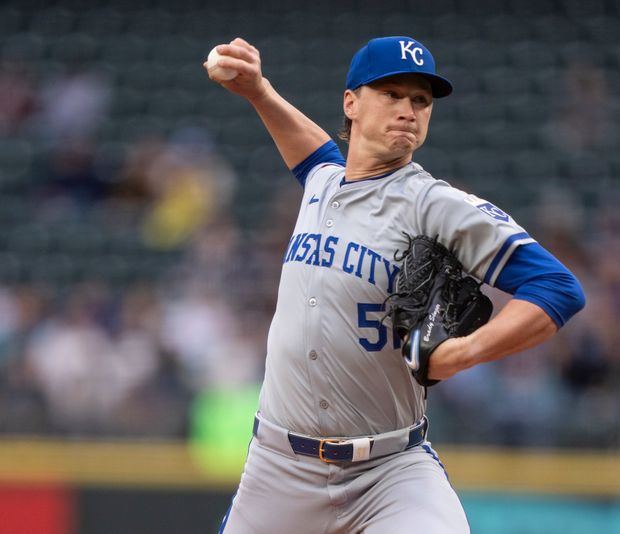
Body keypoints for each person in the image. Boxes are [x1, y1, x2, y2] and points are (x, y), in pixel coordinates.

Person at [205, 35, 585, 534]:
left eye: (420, 100)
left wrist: (467, 351)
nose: (408, 109)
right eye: (391, 94)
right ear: (351, 103)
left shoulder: (434, 204)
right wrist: (259, 91)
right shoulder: (323, 182)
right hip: (279, 469)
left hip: (389, 472)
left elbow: (557, 287)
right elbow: (313, 152)